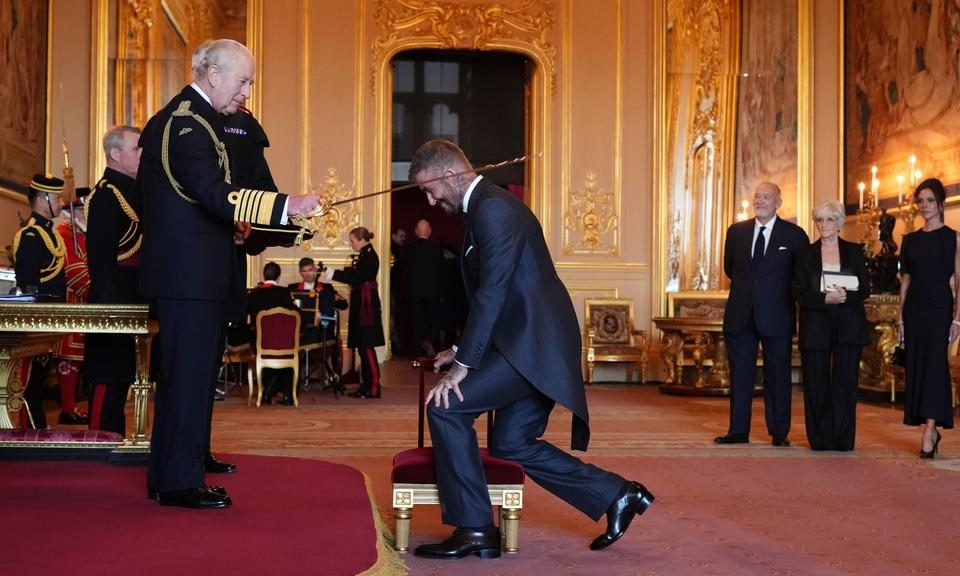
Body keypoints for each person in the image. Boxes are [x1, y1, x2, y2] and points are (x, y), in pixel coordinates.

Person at [407, 139, 653, 560]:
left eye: (430, 190)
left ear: (450, 174)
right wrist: (460, 347)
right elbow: (498, 294)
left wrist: (464, 364)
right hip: (528, 342)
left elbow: (494, 292)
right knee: (511, 442)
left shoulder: (494, 209)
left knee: (446, 408)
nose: (430, 201)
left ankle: (474, 528)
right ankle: (618, 494)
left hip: (532, 347)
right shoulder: (483, 208)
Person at [139, 38, 319, 508]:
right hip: (188, 277)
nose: (246, 92)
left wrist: (288, 224)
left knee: (194, 377)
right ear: (213, 74)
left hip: (199, 275)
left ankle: (174, 472)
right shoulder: (185, 124)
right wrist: (288, 205)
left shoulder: (201, 121)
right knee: (187, 378)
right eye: (243, 81)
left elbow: (222, 198)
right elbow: (214, 192)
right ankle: (178, 483)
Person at [715, 182, 809, 447]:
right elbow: (730, 269)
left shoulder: (794, 235)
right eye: (757, 196)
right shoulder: (736, 232)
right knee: (740, 375)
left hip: (777, 315)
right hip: (740, 314)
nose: (760, 201)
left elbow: (800, 276)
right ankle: (738, 431)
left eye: (766, 197)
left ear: (778, 202)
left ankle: (779, 432)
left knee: (778, 376)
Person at [793, 200, 870, 451]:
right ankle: (820, 439)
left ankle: (842, 439)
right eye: (819, 219)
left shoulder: (854, 251)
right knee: (816, 383)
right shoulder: (804, 254)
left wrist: (846, 296)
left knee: (846, 383)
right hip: (816, 324)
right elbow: (798, 291)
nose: (823, 224)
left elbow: (865, 288)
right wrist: (824, 299)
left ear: (839, 223)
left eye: (829, 219)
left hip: (848, 324)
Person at [84, 125, 144, 436]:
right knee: (108, 381)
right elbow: (101, 260)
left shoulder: (133, 193)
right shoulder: (107, 195)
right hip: (112, 306)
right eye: (136, 148)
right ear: (115, 154)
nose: (142, 154)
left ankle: (114, 442)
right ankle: (98, 445)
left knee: (121, 381)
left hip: (132, 303)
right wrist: (108, 312)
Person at [898, 178, 960, 458]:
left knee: (935, 366)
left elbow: (959, 281)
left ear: (940, 203)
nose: (924, 205)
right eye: (920, 201)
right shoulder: (909, 240)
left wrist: (957, 319)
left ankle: (930, 429)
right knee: (918, 367)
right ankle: (929, 428)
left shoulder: (953, 238)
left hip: (940, 310)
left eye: (930, 200)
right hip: (914, 310)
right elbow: (905, 282)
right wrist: (900, 318)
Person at [12, 174, 67, 428]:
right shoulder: (31, 236)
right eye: (57, 198)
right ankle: (30, 434)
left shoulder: (49, 235)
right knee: (29, 386)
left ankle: (38, 431)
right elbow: (28, 286)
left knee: (38, 384)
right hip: (36, 325)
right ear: (43, 199)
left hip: (49, 324)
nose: (62, 202)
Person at [322, 227, 385, 399]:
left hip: (366, 306)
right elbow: (354, 274)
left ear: (362, 240)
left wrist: (333, 273)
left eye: (352, 241)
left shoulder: (370, 256)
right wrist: (332, 271)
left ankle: (373, 386)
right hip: (362, 304)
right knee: (362, 346)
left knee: (367, 345)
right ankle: (366, 385)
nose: (351, 245)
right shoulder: (365, 255)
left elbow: (356, 277)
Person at [53, 187, 92, 425]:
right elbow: (73, 270)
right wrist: (94, 291)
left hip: (84, 305)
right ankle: (67, 407)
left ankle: (72, 406)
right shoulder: (64, 232)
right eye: (83, 210)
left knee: (78, 357)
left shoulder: (83, 233)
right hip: (70, 302)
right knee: (68, 355)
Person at [246, 261, 297, 405]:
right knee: (288, 354)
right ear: (279, 277)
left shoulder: (254, 294)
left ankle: (267, 393)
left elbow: (246, 317)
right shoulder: (285, 293)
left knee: (265, 351)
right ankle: (287, 395)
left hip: (260, 343)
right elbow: (296, 314)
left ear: (264, 276)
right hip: (284, 344)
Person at [404, 218, 445, 357]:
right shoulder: (436, 249)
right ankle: (429, 340)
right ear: (429, 231)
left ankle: (418, 353)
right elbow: (441, 272)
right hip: (433, 292)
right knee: (433, 320)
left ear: (416, 231)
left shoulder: (408, 249)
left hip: (414, 292)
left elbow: (404, 272)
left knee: (417, 322)